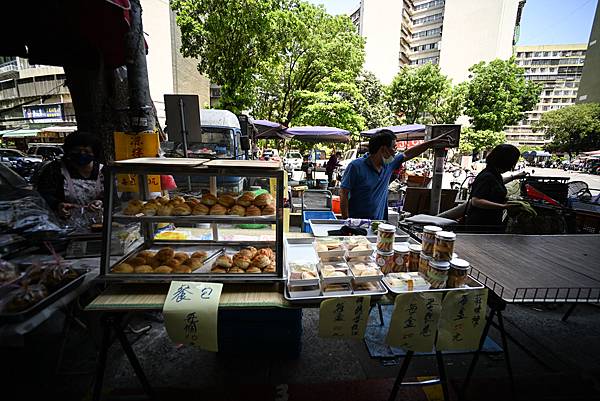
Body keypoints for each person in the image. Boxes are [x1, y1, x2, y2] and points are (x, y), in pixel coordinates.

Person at [340, 129, 451, 220]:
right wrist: (346, 220)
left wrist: (432, 142)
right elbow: (344, 193)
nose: (395, 151)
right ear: (383, 149)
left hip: (378, 224)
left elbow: (408, 154)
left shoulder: (389, 164)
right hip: (357, 223)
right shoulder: (356, 166)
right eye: (394, 147)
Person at [36, 131, 104, 227]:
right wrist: (57, 205)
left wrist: (101, 202)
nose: (82, 154)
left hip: (97, 225)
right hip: (64, 225)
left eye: (87, 152)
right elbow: (43, 195)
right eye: (77, 151)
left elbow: (113, 200)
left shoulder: (103, 171)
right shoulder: (55, 170)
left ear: (94, 153)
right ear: (69, 151)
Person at [465, 144, 527, 232]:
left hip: (490, 223)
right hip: (481, 225)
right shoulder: (487, 176)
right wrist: (504, 206)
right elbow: (476, 201)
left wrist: (514, 177)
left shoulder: (493, 174)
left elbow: (496, 184)